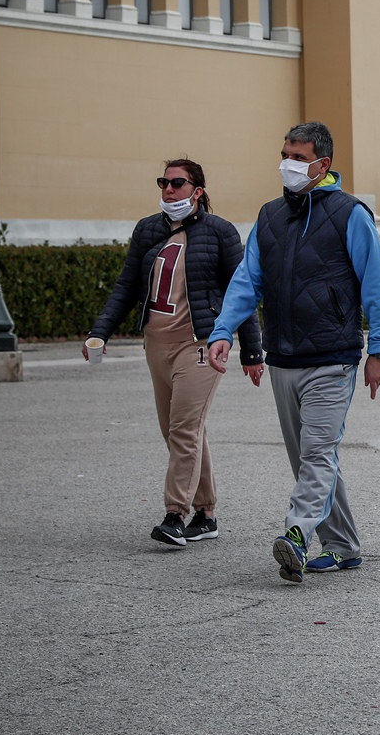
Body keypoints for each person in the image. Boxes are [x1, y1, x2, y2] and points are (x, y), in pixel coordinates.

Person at [207, 122, 380, 584]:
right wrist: (222, 331)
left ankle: (295, 534)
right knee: (314, 458)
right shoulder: (270, 215)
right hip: (284, 357)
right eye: (285, 154)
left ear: (322, 164)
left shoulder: (351, 214)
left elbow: (376, 284)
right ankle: (344, 546)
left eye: (297, 156)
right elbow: (247, 281)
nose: (287, 164)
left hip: (333, 357)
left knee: (316, 455)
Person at [86, 159, 262, 549]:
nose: (168, 189)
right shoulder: (148, 229)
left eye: (177, 183)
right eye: (163, 182)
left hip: (200, 345)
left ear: (197, 190)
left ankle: (174, 515)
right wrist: (100, 332)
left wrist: (253, 350)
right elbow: (127, 286)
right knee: (180, 430)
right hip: (157, 345)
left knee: (183, 430)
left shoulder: (220, 233)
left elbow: (243, 293)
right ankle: (207, 513)